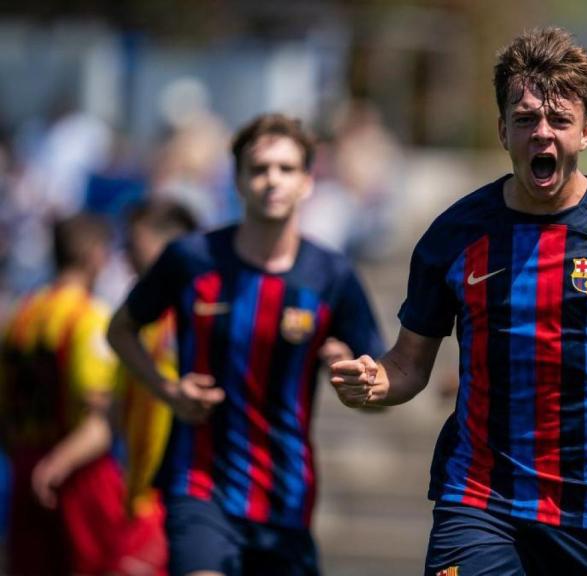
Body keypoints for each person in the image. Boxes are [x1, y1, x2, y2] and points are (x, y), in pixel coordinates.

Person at [330, 27, 587, 575]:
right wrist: (374, 383)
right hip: (477, 499)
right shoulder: (454, 235)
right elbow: (407, 364)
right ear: (502, 129)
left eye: (559, 121)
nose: (542, 134)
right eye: (525, 120)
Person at [107, 113, 383, 576]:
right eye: (258, 169)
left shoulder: (331, 275)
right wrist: (168, 390)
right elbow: (120, 330)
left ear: (308, 182)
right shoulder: (191, 259)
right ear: (236, 181)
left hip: (286, 494)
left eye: (286, 168)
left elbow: (383, 390)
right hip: (198, 482)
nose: (271, 180)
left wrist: (352, 379)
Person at [0, 214, 150, 575]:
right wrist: (58, 463)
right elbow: (99, 420)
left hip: (24, 468)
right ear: (94, 255)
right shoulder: (90, 318)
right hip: (77, 475)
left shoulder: (19, 316)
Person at [118, 199, 201, 571]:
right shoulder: (138, 325)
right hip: (138, 497)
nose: (126, 258)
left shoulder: (197, 320)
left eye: (134, 247)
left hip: (174, 497)